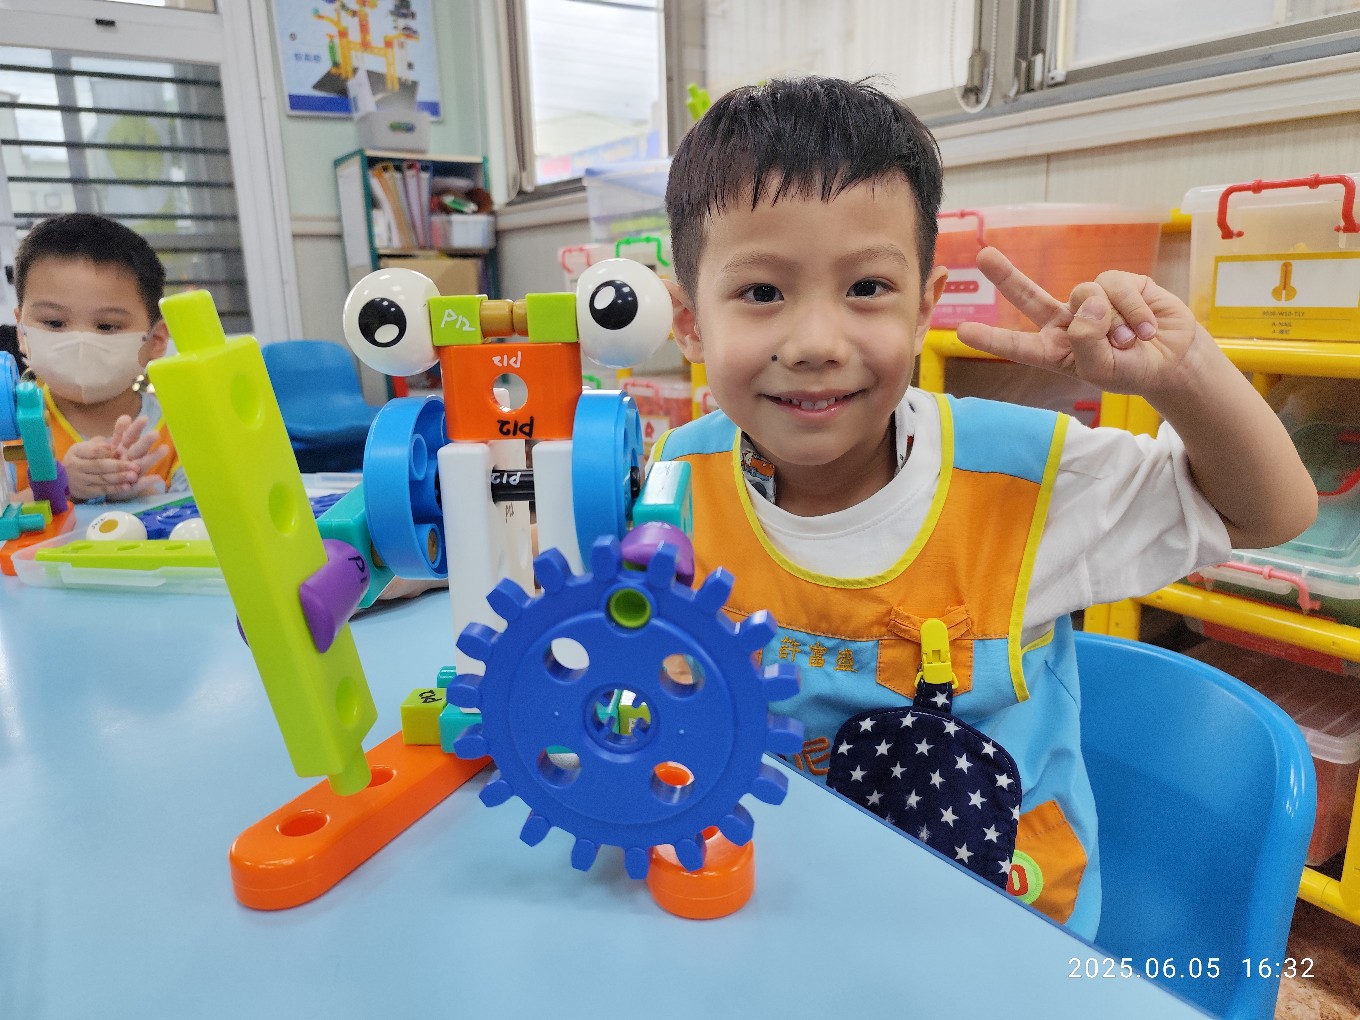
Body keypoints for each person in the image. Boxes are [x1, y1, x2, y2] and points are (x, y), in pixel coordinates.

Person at [652, 76, 1316, 938]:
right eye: (761, 293)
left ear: (924, 308)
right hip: (779, 906)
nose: (816, 344)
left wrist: (1183, 376)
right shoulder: (678, 477)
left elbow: (1273, 513)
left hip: (1001, 930)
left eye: (867, 288)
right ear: (690, 323)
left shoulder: (1023, 479)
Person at [8, 212, 184, 502]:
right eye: (54, 322)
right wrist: (60, 487)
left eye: (106, 326)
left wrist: (142, 498)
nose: (80, 341)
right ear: (21, 333)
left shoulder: (181, 430)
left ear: (156, 340)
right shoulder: (9, 427)